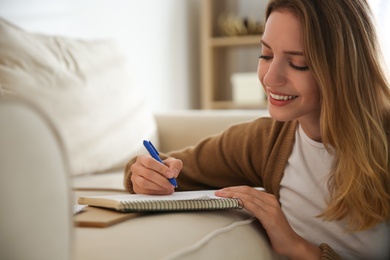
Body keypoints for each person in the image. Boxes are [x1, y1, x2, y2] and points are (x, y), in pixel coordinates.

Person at [124, 0, 390, 259]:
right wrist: (147, 175)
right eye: (266, 55)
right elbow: (164, 167)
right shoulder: (264, 142)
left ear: (346, 68)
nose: (270, 78)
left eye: (298, 63)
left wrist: (299, 248)